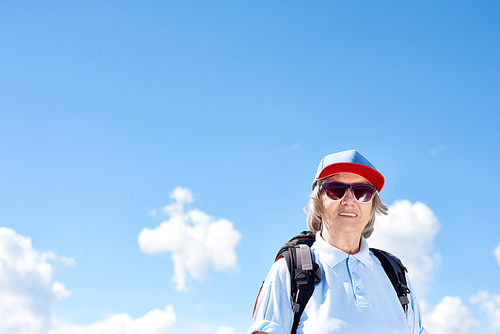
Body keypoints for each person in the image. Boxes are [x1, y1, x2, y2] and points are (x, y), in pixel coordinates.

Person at [249, 150, 428, 334]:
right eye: (336, 190)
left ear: (372, 204)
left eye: (362, 192)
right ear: (319, 200)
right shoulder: (289, 270)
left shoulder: (396, 274)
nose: (349, 200)